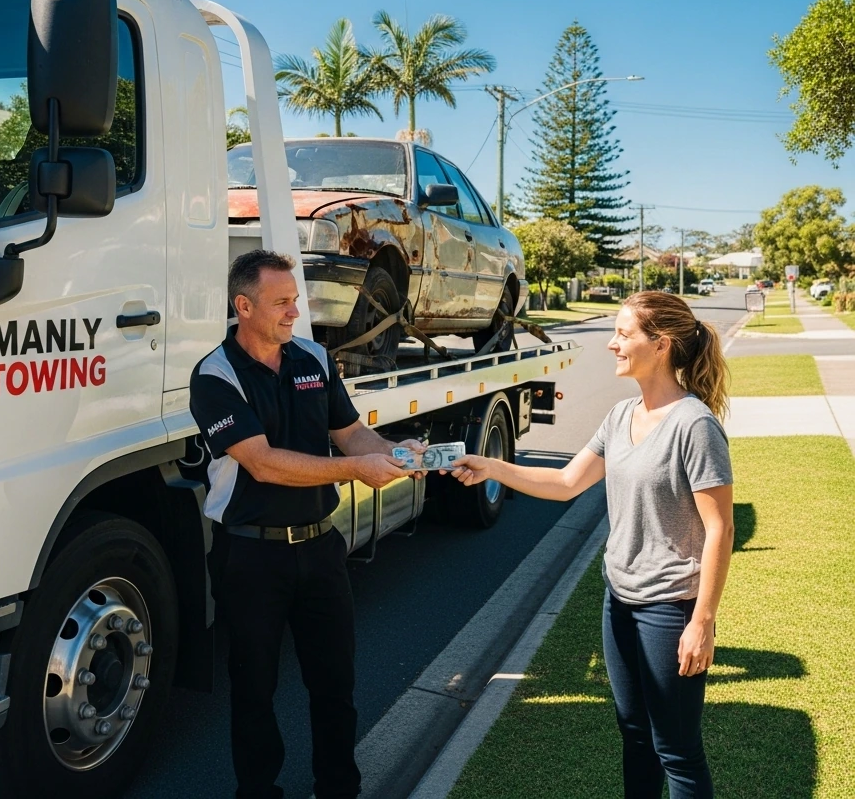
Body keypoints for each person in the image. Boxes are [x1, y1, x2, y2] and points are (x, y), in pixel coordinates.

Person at [448, 291, 734, 799]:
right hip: (618, 600)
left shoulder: (695, 425)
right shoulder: (621, 415)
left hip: (670, 608)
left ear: (661, 344)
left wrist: (702, 623)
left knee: (677, 751)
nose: (612, 343)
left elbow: (721, 530)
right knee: (634, 735)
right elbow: (565, 483)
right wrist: (492, 466)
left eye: (624, 334)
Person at [189, 249, 421, 799]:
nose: (296, 311)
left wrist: (394, 452)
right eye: (282, 302)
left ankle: (338, 789)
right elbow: (263, 462)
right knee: (253, 691)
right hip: (250, 556)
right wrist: (356, 469)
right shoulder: (214, 376)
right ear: (243, 306)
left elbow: (350, 433)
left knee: (335, 686)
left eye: (296, 299)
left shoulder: (313, 358)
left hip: (320, 550)